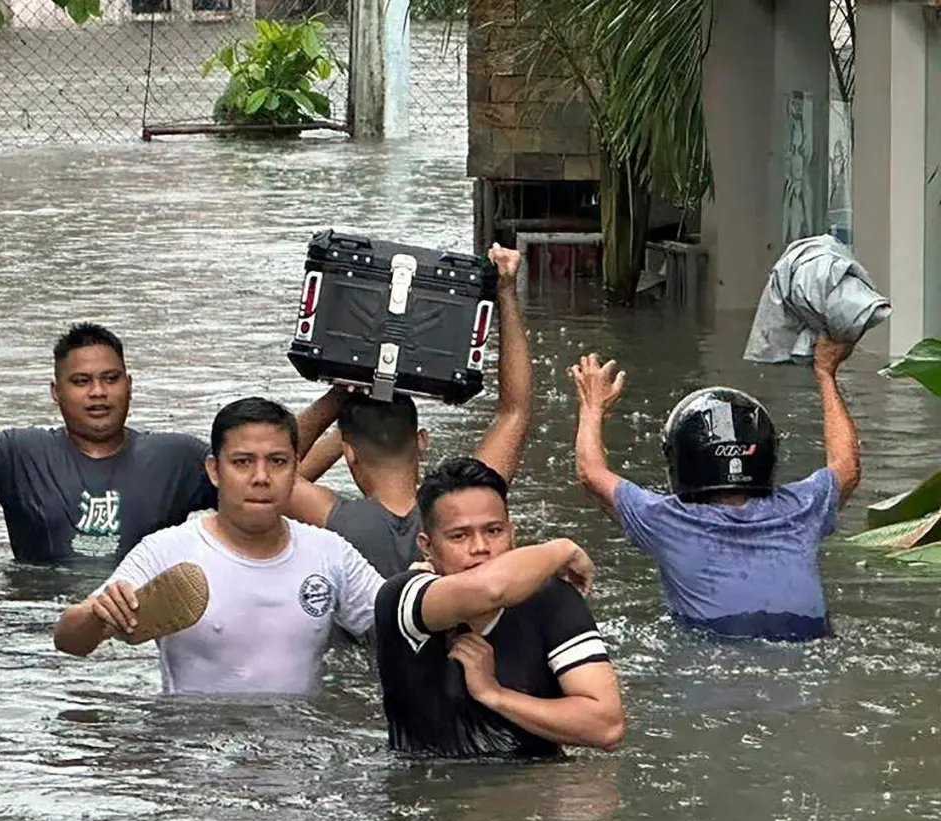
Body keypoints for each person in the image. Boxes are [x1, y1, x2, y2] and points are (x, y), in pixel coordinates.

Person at [53, 397, 384, 694]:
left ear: (295, 468)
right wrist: (95, 616)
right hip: (195, 749)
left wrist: (419, 588)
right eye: (242, 462)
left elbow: (398, 623)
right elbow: (69, 642)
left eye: (278, 462)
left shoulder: (329, 553)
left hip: (299, 750)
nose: (261, 477)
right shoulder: (166, 550)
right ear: (214, 470)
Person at [570, 337, 861, 641]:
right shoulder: (803, 509)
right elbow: (847, 465)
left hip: (718, 649)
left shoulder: (667, 520)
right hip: (808, 643)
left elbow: (590, 474)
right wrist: (826, 373)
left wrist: (592, 407)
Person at [0, 322, 215, 564]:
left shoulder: (178, 458)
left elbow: (255, 504)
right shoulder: (18, 452)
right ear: (56, 392)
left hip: (139, 628)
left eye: (110, 379)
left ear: (129, 385)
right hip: (39, 634)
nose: (98, 392)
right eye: (81, 382)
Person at [287, 243, 533, 578]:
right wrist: (505, 290)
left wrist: (341, 395)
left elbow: (273, 470)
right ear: (421, 441)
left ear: (349, 453)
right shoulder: (464, 512)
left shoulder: (338, 522)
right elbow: (514, 411)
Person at [374, 457, 624, 759]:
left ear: (512, 534)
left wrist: (495, 694)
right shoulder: (404, 596)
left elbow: (607, 726)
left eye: (493, 531)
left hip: (536, 789)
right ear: (427, 546)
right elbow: (490, 589)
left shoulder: (553, 600)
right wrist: (561, 549)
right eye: (459, 536)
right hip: (432, 793)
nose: (480, 547)